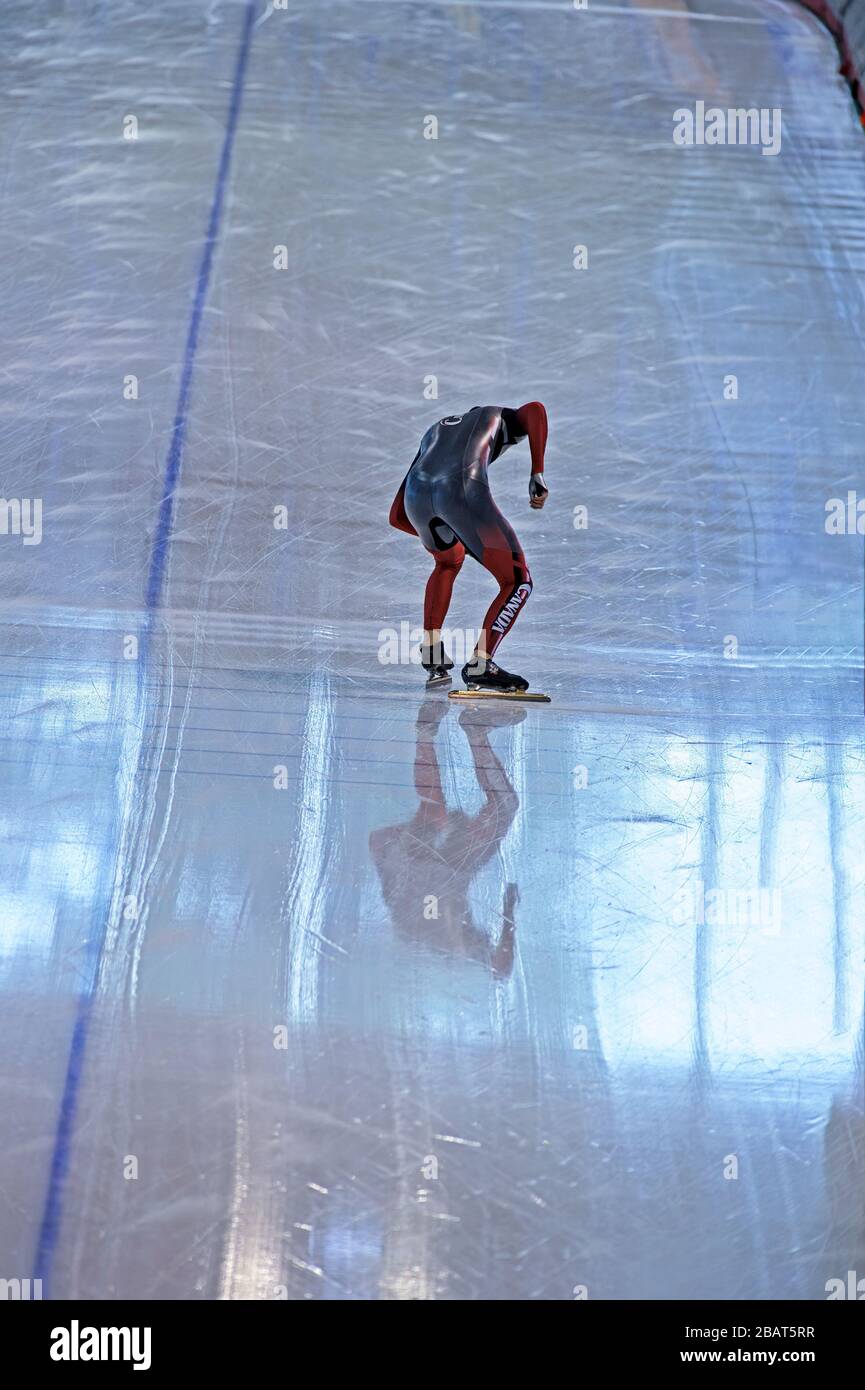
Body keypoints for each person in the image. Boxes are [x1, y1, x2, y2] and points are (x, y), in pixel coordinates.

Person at [388, 402, 549, 691]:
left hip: (416, 498)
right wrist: (536, 473)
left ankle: (431, 650)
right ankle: (481, 663)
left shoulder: (436, 430)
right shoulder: (499, 416)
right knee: (517, 581)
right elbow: (536, 410)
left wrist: (456, 536)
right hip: (462, 491)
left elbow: (397, 517)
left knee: (448, 561)